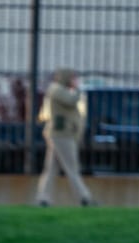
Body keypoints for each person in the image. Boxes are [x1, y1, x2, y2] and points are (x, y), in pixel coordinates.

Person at [35, 67, 95, 207]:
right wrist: (78, 88)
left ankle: (43, 198)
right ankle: (84, 197)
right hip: (61, 135)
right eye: (73, 78)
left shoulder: (61, 90)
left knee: (51, 169)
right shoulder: (57, 90)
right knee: (72, 167)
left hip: (63, 134)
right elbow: (71, 101)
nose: (75, 81)